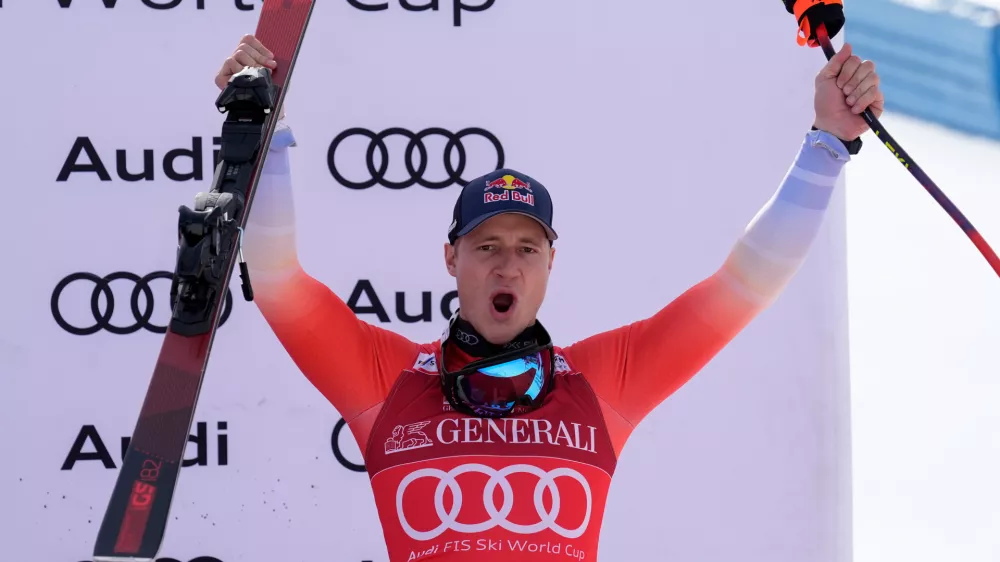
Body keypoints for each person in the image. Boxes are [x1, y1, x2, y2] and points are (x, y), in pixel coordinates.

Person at [217, 33, 883, 562]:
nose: (507, 266)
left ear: (551, 264)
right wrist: (262, 137)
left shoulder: (601, 381)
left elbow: (745, 284)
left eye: (527, 249)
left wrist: (828, 144)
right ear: (451, 259)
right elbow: (276, 280)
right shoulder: (386, 381)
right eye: (487, 247)